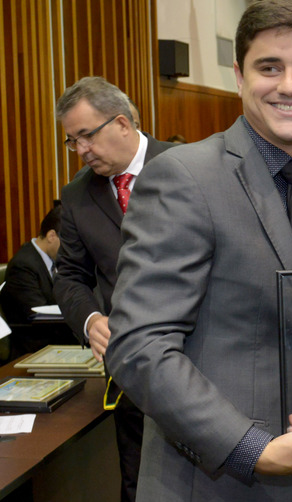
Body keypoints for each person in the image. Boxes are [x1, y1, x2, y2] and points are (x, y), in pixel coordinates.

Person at [105, 0, 292, 502]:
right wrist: (254, 450)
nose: (289, 85)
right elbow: (139, 345)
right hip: (218, 484)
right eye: (269, 67)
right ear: (239, 76)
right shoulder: (182, 177)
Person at [53, 76, 175, 502]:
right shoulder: (76, 195)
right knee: (138, 480)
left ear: (122, 123)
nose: (81, 150)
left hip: (201, 355)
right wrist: (90, 320)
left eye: (86, 135)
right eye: (72, 141)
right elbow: (69, 275)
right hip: (128, 367)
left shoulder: (189, 166)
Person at [0, 204, 74, 356]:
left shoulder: (55, 261)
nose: (71, 250)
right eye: (68, 243)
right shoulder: (23, 265)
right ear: (52, 236)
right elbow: (40, 316)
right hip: (34, 347)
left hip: (57, 340)